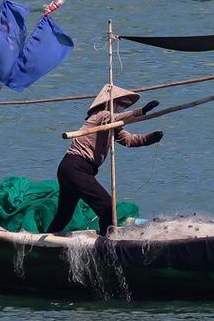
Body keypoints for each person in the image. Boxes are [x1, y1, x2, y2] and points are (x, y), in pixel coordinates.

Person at [45, 84, 163, 235]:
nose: (122, 109)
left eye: (124, 106)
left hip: (72, 169)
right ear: (110, 104)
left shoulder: (112, 127)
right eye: (120, 105)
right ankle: (105, 240)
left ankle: (47, 237)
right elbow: (115, 118)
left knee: (64, 214)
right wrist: (142, 111)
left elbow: (130, 140)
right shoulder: (101, 116)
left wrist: (152, 138)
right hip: (76, 167)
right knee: (107, 208)